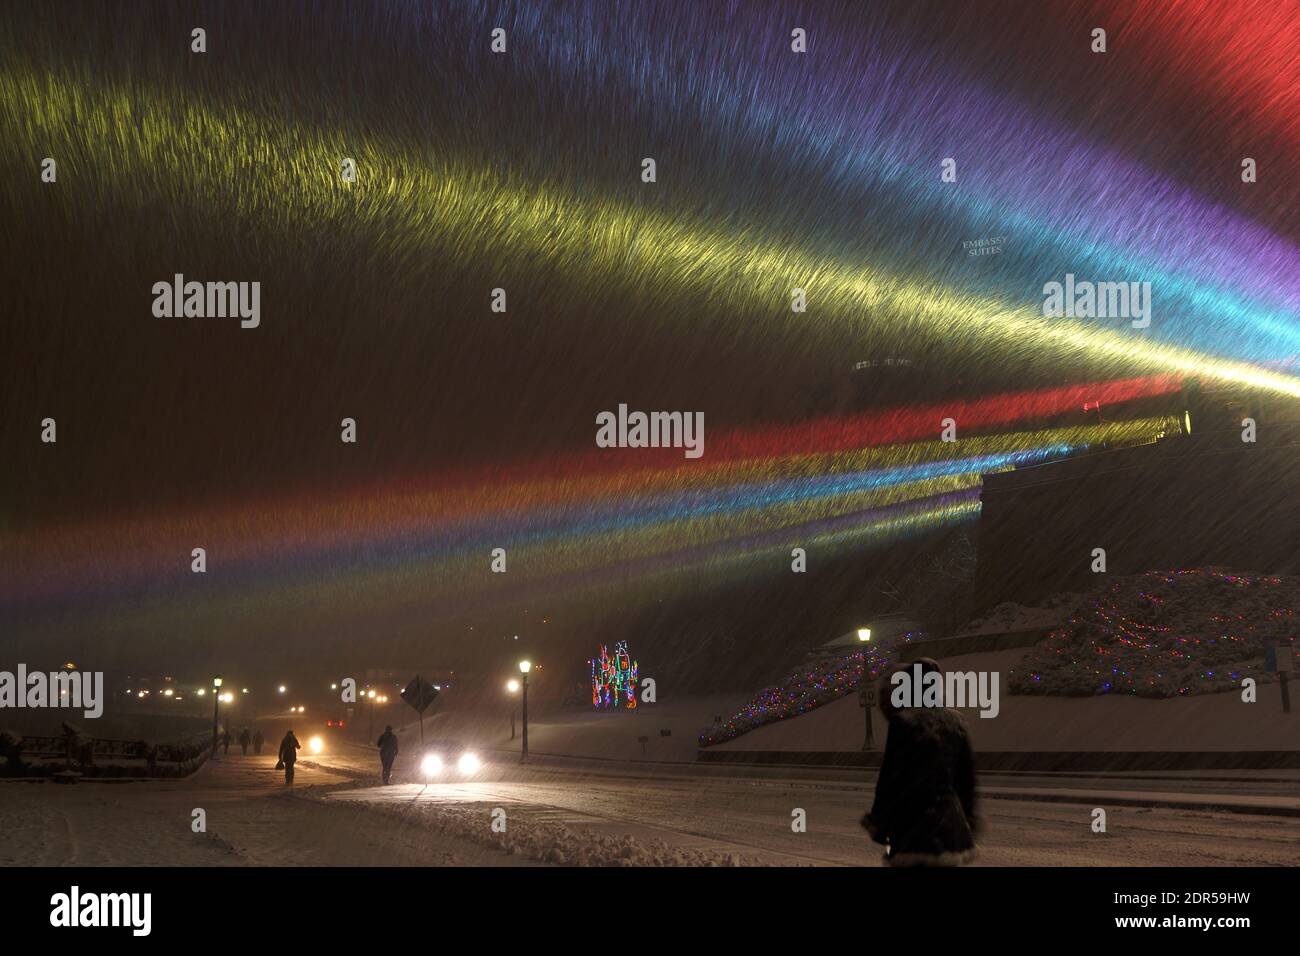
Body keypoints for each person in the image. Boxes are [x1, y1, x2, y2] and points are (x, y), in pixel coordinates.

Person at [862, 658, 979, 866]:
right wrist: (968, 819)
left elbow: (890, 778)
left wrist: (878, 821)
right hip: (949, 824)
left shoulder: (904, 722)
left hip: (912, 823)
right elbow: (967, 779)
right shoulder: (956, 722)